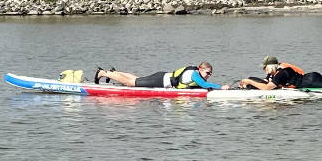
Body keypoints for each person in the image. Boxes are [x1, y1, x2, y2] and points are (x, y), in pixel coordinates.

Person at [95, 62, 230, 90]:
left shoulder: (196, 74)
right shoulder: (194, 74)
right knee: (131, 83)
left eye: (210, 74)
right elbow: (205, 85)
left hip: (162, 77)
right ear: (200, 69)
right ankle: (103, 73)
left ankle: (114, 73)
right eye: (207, 73)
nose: (208, 76)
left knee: (136, 79)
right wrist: (220, 87)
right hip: (160, 80)